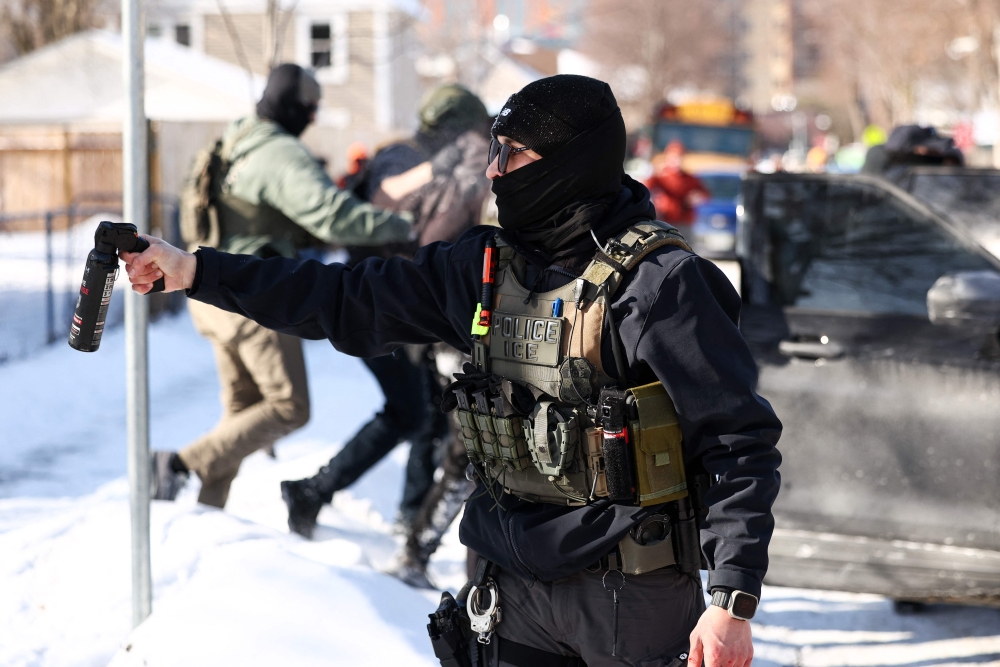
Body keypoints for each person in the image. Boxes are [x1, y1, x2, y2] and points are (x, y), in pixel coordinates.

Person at [124, 74, 781, 667]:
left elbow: (737, 441)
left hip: (628, 601)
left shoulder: (661, 284)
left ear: (571, 161)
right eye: (494, 150)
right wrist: (197, 271)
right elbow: (342, 298)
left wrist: (732, 598)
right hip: (508, 590)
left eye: (515, 153)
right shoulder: (483, 268)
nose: (496, 172)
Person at [149, 63, 412, 509]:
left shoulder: (232, 141)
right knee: (290, 406)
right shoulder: (278, 153)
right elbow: (332, 215)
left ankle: (209, 511)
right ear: (293, 108)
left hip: (208, 290)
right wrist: (403, 225)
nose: (312, 120)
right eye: (310, 110)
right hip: (252, 295)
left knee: (242, 409)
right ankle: (179, 465)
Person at [280, 85, 492, 569]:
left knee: (423, 413)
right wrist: (441, 166)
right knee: (414, 413)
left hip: (405, 308)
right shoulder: (403, 154)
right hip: (373, 304)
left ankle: (376, 506)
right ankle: (322, 493)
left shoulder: (460, 166)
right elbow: (385, 193)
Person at [643, 140, 709, 230]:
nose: (677, 161)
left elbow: (705, 195)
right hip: (665, 220)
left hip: (684, 221)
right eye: (674, 157)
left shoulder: (690, 178)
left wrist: (697, 198)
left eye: (680, 157)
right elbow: (644, 187)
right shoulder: (661, 176)